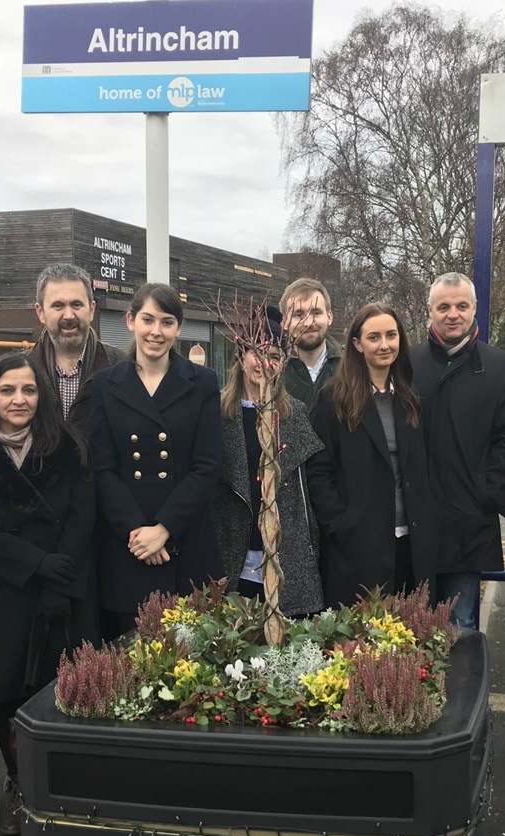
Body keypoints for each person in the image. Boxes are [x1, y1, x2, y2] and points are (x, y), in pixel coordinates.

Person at [0, 352, 96, 834]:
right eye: (8, 390)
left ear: (41, 395)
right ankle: (18, 786)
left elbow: (80, 515)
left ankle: (62, 788)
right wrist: (34, 564)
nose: (19, 400)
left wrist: (57, 576)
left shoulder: (68, 447)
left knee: (61, 692)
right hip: (0, 589)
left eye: (28, 390)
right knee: (9, 693)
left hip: (59, 586)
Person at [90, 283, 223, 637]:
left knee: (194, 671)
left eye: (167, 322)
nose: (156, 331)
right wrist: (139, 533)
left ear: (178, 328)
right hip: (128, 547)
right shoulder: (105, 384)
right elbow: (102, 468)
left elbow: (207, 465)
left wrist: (163, 529)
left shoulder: (203, 382)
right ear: (131, 320)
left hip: (186, 544)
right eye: (147, 319)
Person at [410, 272, 505, 629]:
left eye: (461, 306)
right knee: (409, 628)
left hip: (469, 524)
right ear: (429, 311)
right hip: (415, 524)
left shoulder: (500, 366)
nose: (453, 314)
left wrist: (489, 496)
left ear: (475, 308)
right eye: (443, 307)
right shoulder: (407, 363)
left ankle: (462, 689)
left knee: (462, 630)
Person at [307, 302, 438, 608]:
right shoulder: (333, 399)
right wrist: (342, 525)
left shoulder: (412, 397)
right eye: (374, 337)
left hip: (412, 544)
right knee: (360, 646)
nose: (384, 345)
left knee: (410, 643)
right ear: (357, 343)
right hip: (358, 547)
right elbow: (318, 472)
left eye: (391, 336)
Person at [214, 327, 325, 617]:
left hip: (286, 564)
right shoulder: (218, 415)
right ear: (241, 357)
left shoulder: (293, 414)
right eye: (257, 353)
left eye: (274, 355)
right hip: (234, 564)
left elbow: (309, 491)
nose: (264, 362)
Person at [28, 262, 126, 437]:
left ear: (91, 309)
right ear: (40, 312)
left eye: (76, 305)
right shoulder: (21, 370)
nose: (68, 315)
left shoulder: (122, 367)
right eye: (58, 305)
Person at [279, 277, 342, 407]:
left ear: (329, 317)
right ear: (284, 322)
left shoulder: (351, 365)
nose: (308, 323)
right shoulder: (273, 370)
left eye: (316, 312)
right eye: (299, 315)